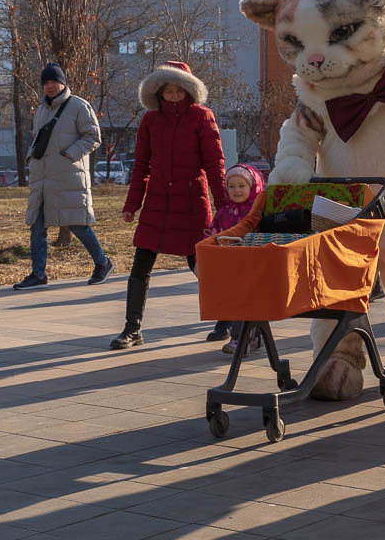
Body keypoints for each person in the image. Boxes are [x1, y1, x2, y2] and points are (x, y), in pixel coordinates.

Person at [111, 61, 228, 349]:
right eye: (168, 91)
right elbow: (141, 165)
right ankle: (132, 329)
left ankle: (228, 318)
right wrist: (132, 204)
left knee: (201, 265)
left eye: (179, 90)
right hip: (157, 203)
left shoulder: (202, 117)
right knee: (141, 265)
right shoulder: (151, 120)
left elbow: (214, 163)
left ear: (189, 90)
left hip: (192, 202)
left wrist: (225, 204)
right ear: (158, 92)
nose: (174, 95)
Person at [14, 63, 115, 291]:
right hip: (42, 177)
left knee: (78, 224)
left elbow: (93, 137)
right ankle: (38, 274)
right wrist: (32, 157)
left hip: (69, 177)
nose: (50, 86)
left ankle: (103, 263)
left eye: (54, 81)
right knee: (37, 225)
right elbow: (37, 137)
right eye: (46, 82)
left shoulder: (79, 106)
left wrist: (70, 154)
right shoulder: (41, 109)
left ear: (62, 82)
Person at [205, 163, 265, 355]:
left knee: (245, 302)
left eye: (241, 185)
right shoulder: (224, 211)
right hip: (230, 265)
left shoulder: (257, 211)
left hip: (253, 264)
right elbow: (214, 232)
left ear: (253, 186)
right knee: (239, 303)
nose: (236, 190)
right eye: (232, 186)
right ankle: (255, 337)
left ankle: (239, 340)